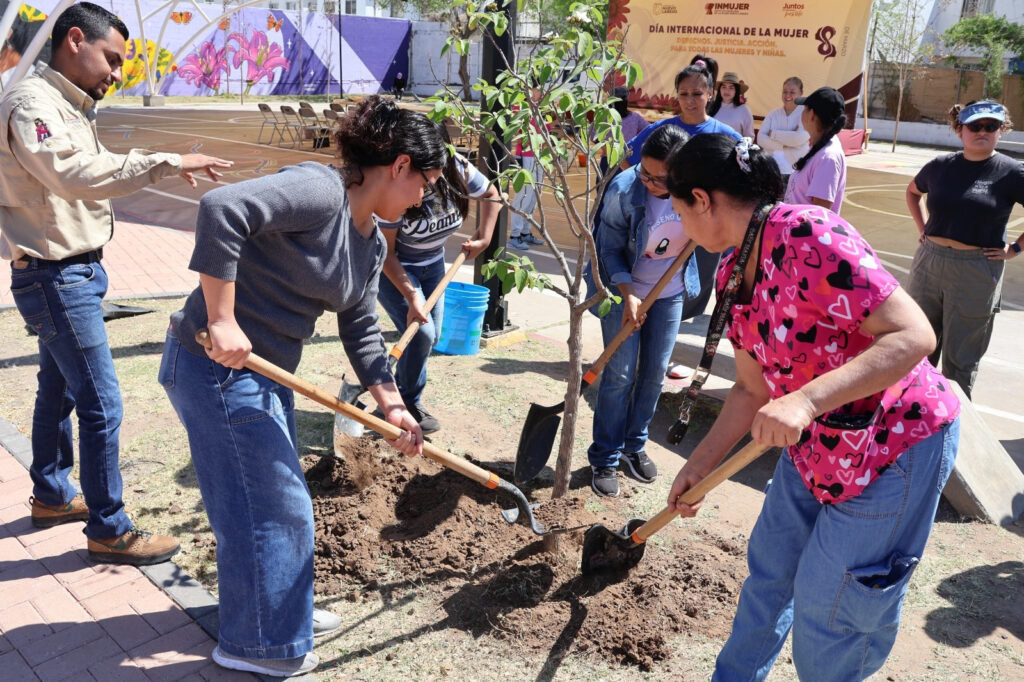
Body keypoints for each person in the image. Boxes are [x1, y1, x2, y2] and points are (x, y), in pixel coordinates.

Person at [664, 133, 961, 681]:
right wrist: (700, 467)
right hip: (818, 443)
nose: (680, 225)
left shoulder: (810, 233)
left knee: (833, 607)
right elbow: (752, 390)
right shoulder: (733, 271)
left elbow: (914, 335)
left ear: (702, 199)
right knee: (769, 573)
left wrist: (804, 399)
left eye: (679, 209)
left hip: (892, 443)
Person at [161, 95, 435, 678]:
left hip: (261, 378)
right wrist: (223, 318)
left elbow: (360, 326)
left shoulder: (368, 243)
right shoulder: (319, 191)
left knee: (267, 503)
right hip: (213, 367)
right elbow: (220, 209)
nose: (421, 199)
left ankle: (277, 613)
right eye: (424, 183)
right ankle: (258, 645)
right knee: (275, 509)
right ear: (400, 166)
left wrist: (393, 406)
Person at [0, 2, 231, 564]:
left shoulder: (65, 102)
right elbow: (73, 174)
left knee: (57, 391)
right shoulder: (32, 103)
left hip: (69, 271)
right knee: (102, 403)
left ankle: (53, 494)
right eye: (112, 58)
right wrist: (165, 160)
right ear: (74, 39)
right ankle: (109, 529)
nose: (116, 72)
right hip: (56, 276)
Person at [585, 124, 699, 497]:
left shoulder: (699, 192)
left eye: (658, 178)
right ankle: (605, 456)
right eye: (644, 172)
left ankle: (634, 447)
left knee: (652, 374)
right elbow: (609, 249)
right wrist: (628, 293)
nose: (648, 182)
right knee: (619, 375)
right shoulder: (623, 190)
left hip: (669, 293)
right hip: (624, 291)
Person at [377, 130, 501, 433]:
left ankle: (405, 399)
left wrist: (484, 237)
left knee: (429, 337)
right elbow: (386, 253)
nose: (432, 182)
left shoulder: (454, 166)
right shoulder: (396, 186)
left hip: (433, 265)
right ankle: (401, 404)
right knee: (421, 334)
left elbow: (491, 194)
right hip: (393, 269)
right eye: (426, 176)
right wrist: (410, 295)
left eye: (438, 170)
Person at [906, 100, 1024, 399]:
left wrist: (1015, 249)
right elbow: (913, 191)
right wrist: (924, 229)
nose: (982, 132)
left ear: (1002, 130)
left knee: (961, 361)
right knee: (916, 349)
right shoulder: (940, 166)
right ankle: (912, 421)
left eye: (991, 126)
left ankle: (953, 427)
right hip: (929, 264)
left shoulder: (1011, 172)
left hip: (976, 270)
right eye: (975, 126)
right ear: (960, 130)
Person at [621, 57, 739, 169]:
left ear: (710, 94)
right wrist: (647, 184)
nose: (689, 100)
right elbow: (623, 157)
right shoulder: (661, 129)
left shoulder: (725, 134)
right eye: (683, 94)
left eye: (697, 94)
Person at [784, 85, 847, 213]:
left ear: (812, 115)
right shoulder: (818, 147)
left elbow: (819, 216)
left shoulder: (827, 157)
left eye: (804, 108)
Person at [509, 86, 547, 251]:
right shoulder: (520, 108)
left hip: (540, 155)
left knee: (534, 197)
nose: (541, 92)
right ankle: (515, 235)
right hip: (527, 155)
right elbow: (518, 134)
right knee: (524, 195)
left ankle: (525, 232)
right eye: (538, 89)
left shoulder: (541, 109)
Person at [757, 76, 810, 170]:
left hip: (796, 171)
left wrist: (774, 134)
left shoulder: (806, 113)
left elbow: (799, 138)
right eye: (785, 91)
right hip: (772, 169)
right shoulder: (773, 114)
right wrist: (784, 144)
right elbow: (760, 139)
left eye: (792, 92)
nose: (787, 95)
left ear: (801, 93)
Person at [598, 85, 648, 175]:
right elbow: (650, 131)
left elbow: (593, 136)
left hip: (608, 160)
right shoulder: (635, 117)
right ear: (626, 101)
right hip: (628, 159)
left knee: (605, 188)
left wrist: (608, 150)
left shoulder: (603, 117)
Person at [710, 71, 753, 138]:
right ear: (719, 89)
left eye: (731, 87)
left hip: (734, 147)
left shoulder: (744, 110)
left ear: (736, 91)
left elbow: (749, 137)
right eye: (724, 87)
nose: (727, 91)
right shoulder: (711, 107)